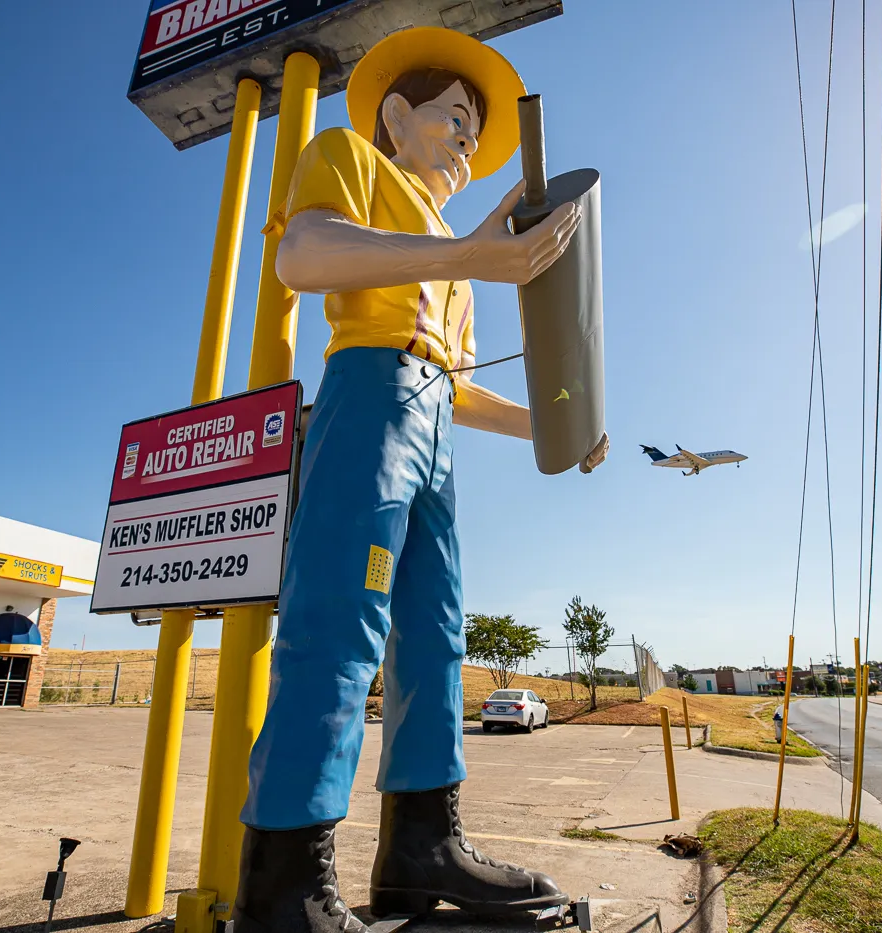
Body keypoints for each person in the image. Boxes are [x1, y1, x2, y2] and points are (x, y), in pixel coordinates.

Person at [231, 27, 608, 933]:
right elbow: (302, 258)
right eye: (453, 115)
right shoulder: (351, 160)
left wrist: (558, 425)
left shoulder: (456, 252)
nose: (470, 137)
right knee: (339, 617)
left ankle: (420, 845)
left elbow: (462, 383)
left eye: (477, 126)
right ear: (397, 117)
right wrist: (465, 256)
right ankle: (284, 880)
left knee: (435, 633)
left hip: (435, 416)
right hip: (370, 393)